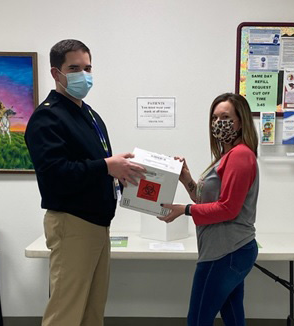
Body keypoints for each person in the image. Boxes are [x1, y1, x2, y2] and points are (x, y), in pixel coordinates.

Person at [25, 39, 146, 326]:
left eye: (88, 67)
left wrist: (120, 172)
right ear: (56, 73)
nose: (83, 75)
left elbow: (93, 168)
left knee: (92, 311)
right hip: (73, 224)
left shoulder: (90, 115)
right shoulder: (48, 117)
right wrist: (106, 165)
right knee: (66, 313)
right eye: (74, 68)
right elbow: (56, 176)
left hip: (98, 224)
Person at [160, 93, 259, 326]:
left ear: (241, 121)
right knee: (233, 317)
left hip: (225, 252)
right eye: (214, 118)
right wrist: (186, 179)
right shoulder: (224, 157)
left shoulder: (240, 155)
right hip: (227, 249)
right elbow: (206, 201)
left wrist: (184, 210)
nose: (218, 123)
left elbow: (228, 209)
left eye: (225, 117)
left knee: (197, 320)